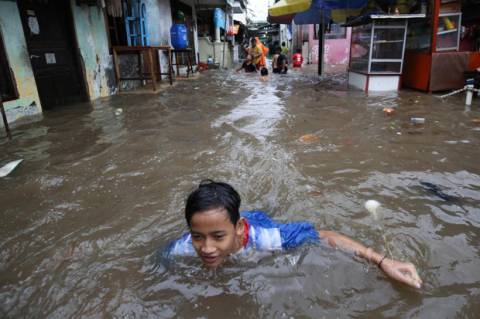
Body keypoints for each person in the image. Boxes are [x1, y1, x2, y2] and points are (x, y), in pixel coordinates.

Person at [163, 180, 423, 289]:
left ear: (238, 229)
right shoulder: (183, 247)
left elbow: (324, 236)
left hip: (259, 221)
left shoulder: (267, 239)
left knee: (268, 213)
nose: (206, 248)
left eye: (217, 237)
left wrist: (381, 260)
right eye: (198, 236)